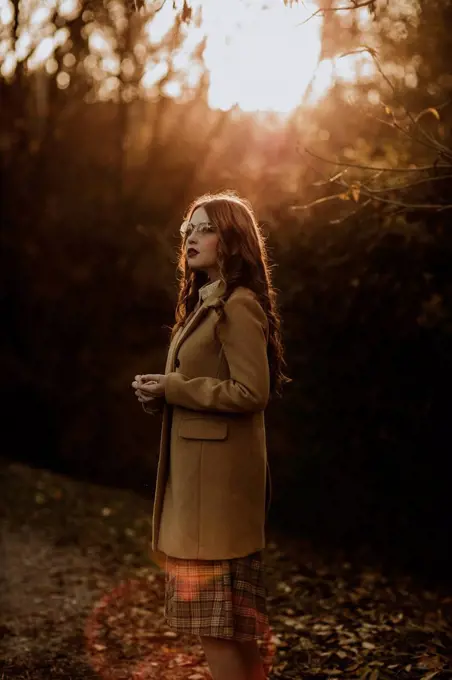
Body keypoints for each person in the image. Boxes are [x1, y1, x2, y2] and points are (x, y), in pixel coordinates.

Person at [131, 191, 290, 680]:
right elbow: (206, 385)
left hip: (216, 498)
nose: (191, 238)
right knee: (227, 631)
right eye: (188, 230)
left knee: (218, 631)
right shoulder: (206, 302)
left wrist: (177, 386)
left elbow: (250, 392)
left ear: (232, 240)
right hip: (201, 491)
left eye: (204, 229)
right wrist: (163, 393)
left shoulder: (238, 306)